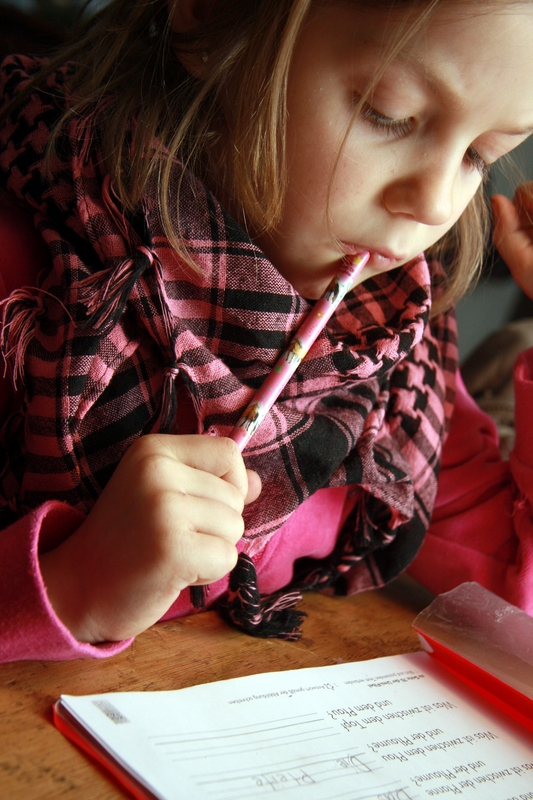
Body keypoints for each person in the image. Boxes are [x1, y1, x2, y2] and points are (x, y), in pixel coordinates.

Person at [0, 0, 533, 663]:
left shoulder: (399, 350)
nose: (433, 204)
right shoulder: (30, 285)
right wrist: (74, 584)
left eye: (480, 155)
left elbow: (512, 586)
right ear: (208, 13)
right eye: (387, 113)